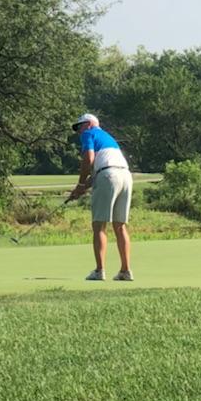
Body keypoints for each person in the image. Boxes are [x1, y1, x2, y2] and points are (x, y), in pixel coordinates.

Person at [69, 113, 133, 281]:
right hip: (125, 176)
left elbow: (89, 159)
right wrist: (81, 189)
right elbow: (100, 171)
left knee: (99, 225)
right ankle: (125, 271)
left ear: (90, 124)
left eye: (80, 126)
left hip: (108, 175)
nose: (79, 131)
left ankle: (99, 271)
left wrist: (80, 184)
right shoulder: (107, 137)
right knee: (120, 226)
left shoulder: (89, 133)